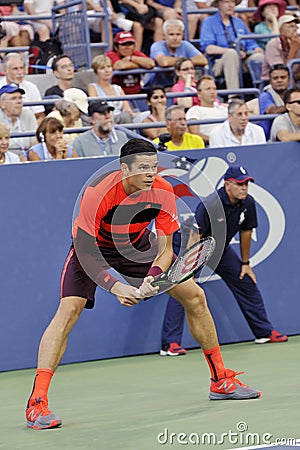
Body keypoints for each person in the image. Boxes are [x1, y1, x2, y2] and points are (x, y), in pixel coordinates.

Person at [25, 139, 262, 431]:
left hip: (138, 246)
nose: (151, 173)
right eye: (143, 168)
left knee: (195, 297)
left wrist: (152, 275)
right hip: (93, 250)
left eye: (154, 166)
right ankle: (37, 403)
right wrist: (117, 287)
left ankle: (220, 379)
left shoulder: (163, 190)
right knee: (68, 312)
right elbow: (85, 251)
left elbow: (166, 249)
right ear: (125, 170)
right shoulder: (98, 192)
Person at [160, 165, 288, 356]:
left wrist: (245, 264)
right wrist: (188, 270)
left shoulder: (248, 203)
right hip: (190, 244)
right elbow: (195, 236)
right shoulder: (212, 204)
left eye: (247, 184)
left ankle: (264, 332)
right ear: (228, 185)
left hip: (218, 247)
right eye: (239, 184)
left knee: (245, 280)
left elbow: (246, 231)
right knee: (185, 290)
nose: (244, 188)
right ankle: (170, 344)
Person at [200, 0, 264, 90]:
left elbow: (250, 42)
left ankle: (260, 91)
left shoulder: (239, 22)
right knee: (231, 54)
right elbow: (208, 48)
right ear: (218, 4)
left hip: (242, 60)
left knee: (258, 57)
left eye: (233, 2)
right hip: (219, 63)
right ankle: (234, 95)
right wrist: (234, 52)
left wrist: (256, 49)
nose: (230, 5)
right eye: (226, 2)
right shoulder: (209, 22)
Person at [147, 19, 207, 89]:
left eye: (178, 34)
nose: (175, 38)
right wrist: (183, 61)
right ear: (164, 36)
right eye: (171, 34)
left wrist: (180, 61)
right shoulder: (157, 46)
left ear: (182, 35)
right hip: (157, 87)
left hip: (181, 86)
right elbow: (164, 62)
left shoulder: (185, 44)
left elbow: (203, 60)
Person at [87, 55, 135, 124]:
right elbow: (96, 107)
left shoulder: (118, 88)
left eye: (109, 67)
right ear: (96, 72)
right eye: (102, 68)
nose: (107, 70)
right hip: (105, 119)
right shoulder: (92, 87)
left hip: (123, 119)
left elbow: (127, 109)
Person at [106, 31, 155, 96]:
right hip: (118, 95)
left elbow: (151, 64)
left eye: (130, 44)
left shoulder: (135, 54)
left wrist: (130, 58)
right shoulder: (111, 54)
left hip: (137, 93)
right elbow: (120, 65)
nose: (127, 47)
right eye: (123, 44)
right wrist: (141, 65)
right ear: (116, 47)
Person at [0, 53, 45, 121]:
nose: (20, 72)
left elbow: (40, 115)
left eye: (21, 68)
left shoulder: (31, 87)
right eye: (15, 69)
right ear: (5, 70)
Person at [186, 75, 228, 145]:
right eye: (208, 89)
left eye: (214, 89)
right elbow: (194, 134)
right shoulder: (194, 110)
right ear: (199, 94)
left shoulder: (224, 109)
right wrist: (214, 140)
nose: (212, 92)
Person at [0, 84, 37, 157]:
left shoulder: (28, 115)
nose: (19, 101)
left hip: (27, 156)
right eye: (14, 98)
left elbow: (35, 142)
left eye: (20, 98)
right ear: (2, 104)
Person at [261, 15, 300, 83]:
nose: (295, 29)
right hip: (274, 81)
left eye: (296, 27)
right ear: (281, 30)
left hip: (294, 79)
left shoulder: (297, 42)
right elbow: (281, 72)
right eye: (291, 26)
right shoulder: (272, 44)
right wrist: (293, 49)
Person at [258, 63, 290, 139]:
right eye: (275, 78)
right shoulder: (265, 95)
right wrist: (292, 107)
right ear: (270, 81)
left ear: (289, 80)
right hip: (270, 139)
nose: (279, 80)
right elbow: (272, 111)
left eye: (283, 77)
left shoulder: (293, 94)